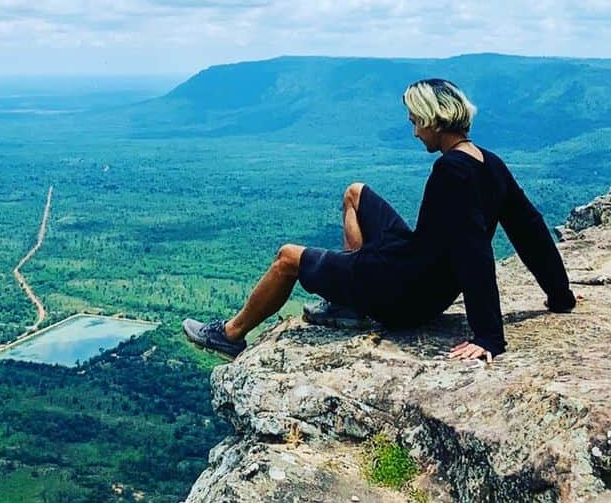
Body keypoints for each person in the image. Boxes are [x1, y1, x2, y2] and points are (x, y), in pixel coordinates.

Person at [183, 78, 577, 364]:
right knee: (355, 192)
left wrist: (489, 336)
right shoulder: (489, 163)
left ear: (434, 121)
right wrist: (559, 295)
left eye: (416, 122)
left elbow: (472, 250)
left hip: (405, 291)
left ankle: (231, 335)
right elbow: (530, 230)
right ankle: (352, 303)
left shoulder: (450, 172)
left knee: (287, 258)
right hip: (416, 268)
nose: (415, 132)